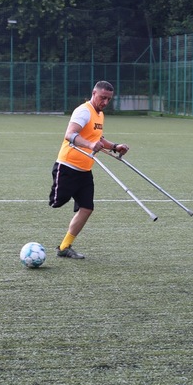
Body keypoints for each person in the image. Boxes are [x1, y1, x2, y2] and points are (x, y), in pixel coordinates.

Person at [49, 81, 129, 259]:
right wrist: (90, 145)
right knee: (57, 202)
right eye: (102, 98)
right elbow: (70, 134)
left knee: (87, 207)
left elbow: (98, 138)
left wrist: (115, 146)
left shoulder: (99, 115)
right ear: (94, 93)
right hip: (67, 166)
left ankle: (64, 247)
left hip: (85, 169)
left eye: (108, 99)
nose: (105, 102)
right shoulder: (83, 111)